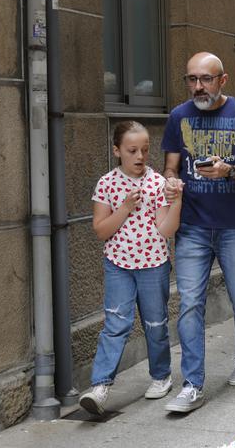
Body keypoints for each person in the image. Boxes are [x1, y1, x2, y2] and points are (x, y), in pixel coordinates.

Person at [162, 52, 235, 413]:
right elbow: (171, 168)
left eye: (205, 79)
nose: (198, 86)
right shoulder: (179, 116)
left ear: (222, 80)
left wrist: (229, 171)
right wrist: (171, 183)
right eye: (191, 79)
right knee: (190, 303)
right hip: (192, 225)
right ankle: (192, 384)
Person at [79, 122, 184, 416]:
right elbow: (101, 230)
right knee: (116, 325)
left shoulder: (157, 184)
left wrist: (176, 203)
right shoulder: (106, 184)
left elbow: (166, 230)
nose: (140, 156)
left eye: (145, 150)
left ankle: (161, 376)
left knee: (155, 323)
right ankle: (100, 388)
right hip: (118, 265)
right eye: (132, 150)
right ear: (117, 151)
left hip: (153, 265)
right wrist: (124, 207)